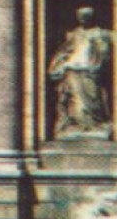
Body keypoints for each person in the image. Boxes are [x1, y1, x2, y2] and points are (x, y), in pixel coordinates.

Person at [47, 7, 113, 137]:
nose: (83, 18)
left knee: (93, 97)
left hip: (90, 70)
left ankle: (95, 124)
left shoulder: (100, 33)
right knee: (74, 99)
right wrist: (60, 64)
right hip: (72, 69)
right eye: (81, 16)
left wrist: (99, 49)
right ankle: (78, 125)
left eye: (86, 15)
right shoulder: (74, 34)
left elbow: (105, 53)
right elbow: (64, 51)